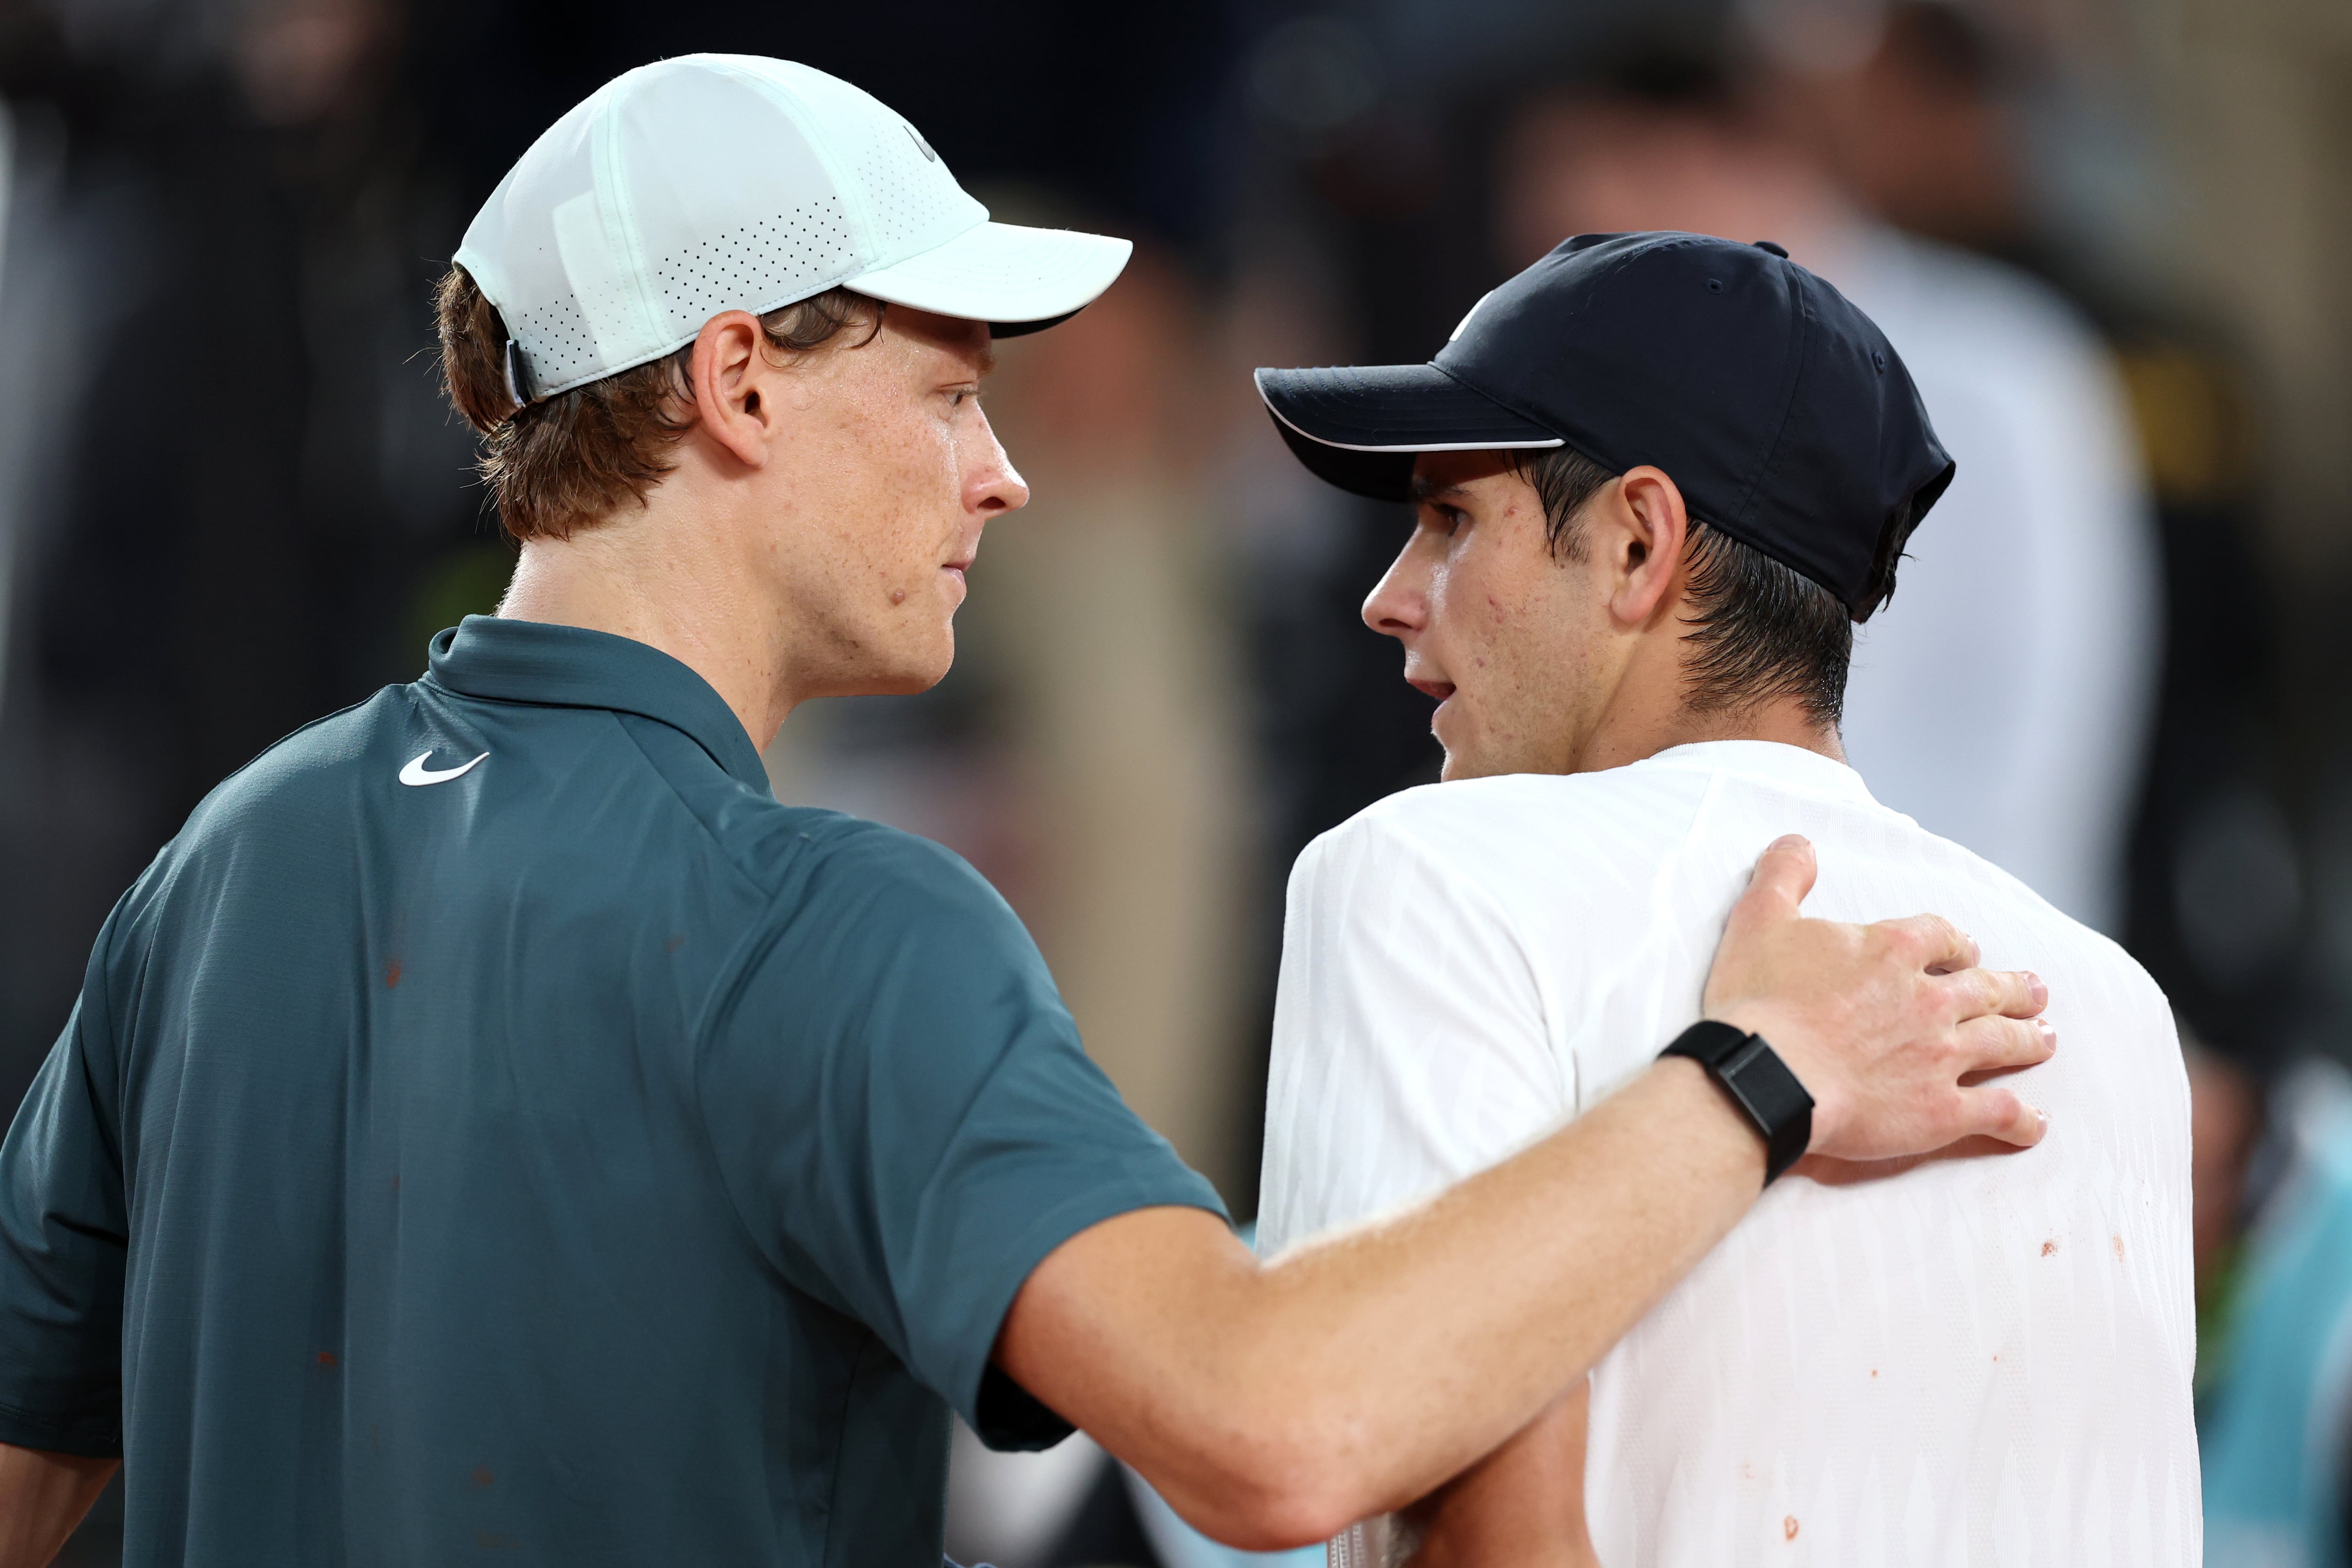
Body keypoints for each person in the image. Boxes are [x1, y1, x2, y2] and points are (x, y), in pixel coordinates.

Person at [0, 60, 2056, 1567]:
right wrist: (1755, 1069)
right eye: (944, 388)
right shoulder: (837, 923)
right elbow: (1272, 1426)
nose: (1000, 470)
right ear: (734, 382)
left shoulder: (220, 866)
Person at [1253, 231, 2196, 1563]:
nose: (1389, 597)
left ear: (1640, 542)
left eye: (1452, 520)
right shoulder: (2115, 1008)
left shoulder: (1429, 877)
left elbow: (1463, 1540)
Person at [1495, 41, 2160, 936]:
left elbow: (2038, 754)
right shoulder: (1605, 376)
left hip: (1957, 959)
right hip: (1671, 947)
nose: (1552, 223)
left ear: (1719, 149)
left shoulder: (1999, 369)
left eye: (1598, 174)